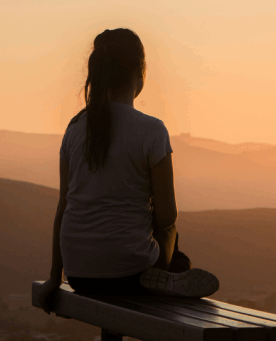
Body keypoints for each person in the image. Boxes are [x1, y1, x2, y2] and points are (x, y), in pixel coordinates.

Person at [38, 28, 218, 312]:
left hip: (79, 275)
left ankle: (163, 275)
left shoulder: (74, 129)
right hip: (131, 272)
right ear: (140, 72)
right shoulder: (152, 131)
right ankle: (168, 276)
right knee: (175, 244)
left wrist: (53, 277)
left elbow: (63, 207)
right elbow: (167, 216)